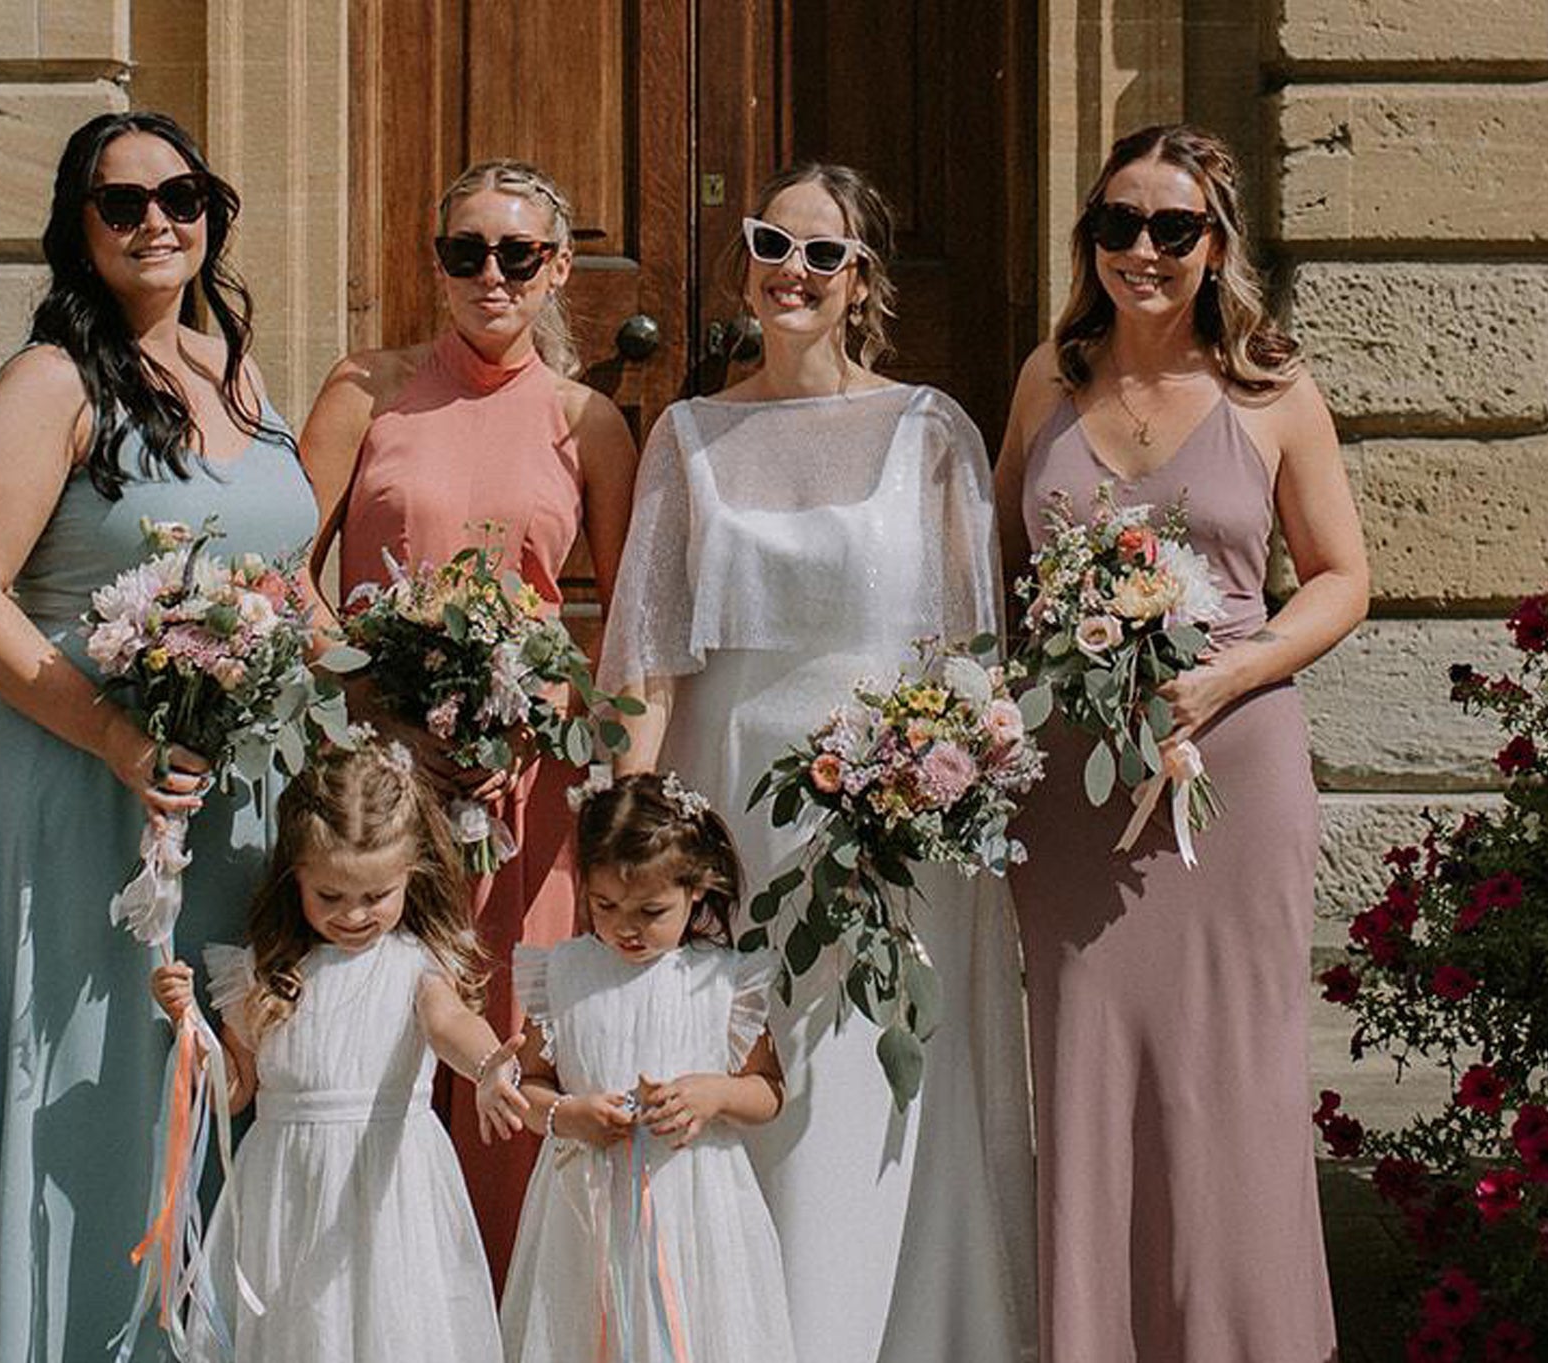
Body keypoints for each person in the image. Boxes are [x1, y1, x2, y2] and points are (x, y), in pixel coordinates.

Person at [0, 112, 317, 1363]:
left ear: (210, 211)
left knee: (216, 1074)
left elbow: (284, 576)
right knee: (89, 1082)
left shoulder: (234, 365)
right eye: (118, 204)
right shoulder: (51, 381)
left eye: (177, 196)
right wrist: (119, 739)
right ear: (79, 228)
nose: (154, 223)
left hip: (234, 795)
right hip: (80, 785)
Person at [600, 163, 1036, 1363]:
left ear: (860, 283)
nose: (790, 271)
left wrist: (938, 780)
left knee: (854, 1074)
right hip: (727, 792)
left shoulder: (927, 429)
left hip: (884, 807)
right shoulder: (688, 433)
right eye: (769, 244)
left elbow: (965, 649)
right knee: (741, 1052)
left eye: (821, 254)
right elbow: (647, 654)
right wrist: (623, 817)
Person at [994, 123, 1370, 1363]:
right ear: (1086, 239)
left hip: (1233, 777)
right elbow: (999, 571)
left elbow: (1338, 578)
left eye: (1171, 228)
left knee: (1229, 1080)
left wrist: (1230, 673)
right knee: (1088, 1071)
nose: (1141, 251)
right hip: (1074, 788)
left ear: (1215, 243)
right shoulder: (1047, 381)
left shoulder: (1269, 386)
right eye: (1116, 225)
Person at [299, 158, 638, 1279]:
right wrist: (369, 699)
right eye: (465, 252)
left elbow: (630, 621)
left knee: (508, 1052)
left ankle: (513, 1313)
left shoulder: (586, 421)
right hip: (373, 785)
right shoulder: (366, 389)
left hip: (518, 792)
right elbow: (281, 571)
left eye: (517, 254)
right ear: (433, 264)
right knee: (374, 1049)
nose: (489, 274)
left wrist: (546, 717)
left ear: (557, 269)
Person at [148, 744, 524, 1363]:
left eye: (376, 896)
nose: (354, 915)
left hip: (392, 1189)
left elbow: (451, 1021)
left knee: (396, 1329)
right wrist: (188, 1021)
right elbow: (234, 1092)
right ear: (294, 877)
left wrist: (488, 1067)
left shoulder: (413, 964)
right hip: (290, 1192)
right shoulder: (261, 974)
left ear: (411, 875)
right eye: (330, 896)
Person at [498, 772, 795, 1363]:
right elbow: (525, 1086)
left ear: (697, 892)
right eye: (604, 906)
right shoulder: (564, 974)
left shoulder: (720, 982)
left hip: (695, 1205)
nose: (625, 927)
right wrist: (566, 1112)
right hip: (586, 1210)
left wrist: (715, 1095)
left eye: (651, 910)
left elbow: (769, 1091)